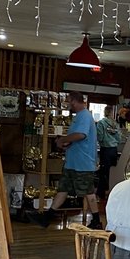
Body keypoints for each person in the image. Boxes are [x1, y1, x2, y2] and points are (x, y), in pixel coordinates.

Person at [38, 91, 101, 228]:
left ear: (74, 101)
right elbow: (77, 137)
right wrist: (68, 144)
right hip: (73, 162)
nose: (68, 105)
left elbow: (81, 135)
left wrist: (63, 140)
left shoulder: (84, 116)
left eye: (69, 101)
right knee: (63, 189)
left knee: (88, 192)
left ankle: (96, 221)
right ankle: (47, 218)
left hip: (83, 164)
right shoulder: (78, 117)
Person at [96, 105, 121, 197]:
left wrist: (104, 140)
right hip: (114, 150)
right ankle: (112, 191)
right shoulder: (115, 124)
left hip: (105, 149)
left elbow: (100, 137)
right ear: (112, 113)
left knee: (103, 171)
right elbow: (119, 138)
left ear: (105, 112)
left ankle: (101, 192)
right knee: (112, 171)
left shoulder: (101, 123)